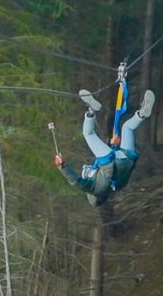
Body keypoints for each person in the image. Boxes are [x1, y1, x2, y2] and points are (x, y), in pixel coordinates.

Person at [53, 75, 155, 206]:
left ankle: (142, 114)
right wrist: (62, 167)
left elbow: (122, 167)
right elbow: (76, 182)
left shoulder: (117, 187)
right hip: (110, 162)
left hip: (125, 159)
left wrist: (117, 148)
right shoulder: (94, 189)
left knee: (127, 128)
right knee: (88, 133)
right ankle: (91, 111)